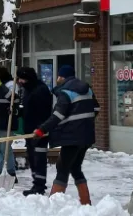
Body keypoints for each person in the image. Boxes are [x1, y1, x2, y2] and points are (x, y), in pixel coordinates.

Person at [33, 65, 99, 205]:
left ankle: (54, 202)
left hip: (72, 137)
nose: (57, 79)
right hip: (86, 136)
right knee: (75, 167)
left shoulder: (66, 92)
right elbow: (96, 108)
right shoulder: (87, 89)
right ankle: (86, 203)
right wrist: (83, 122)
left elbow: (58, 115)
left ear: (62, 77)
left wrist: (42, 130)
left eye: (58, 76)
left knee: (62, 167)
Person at [17, 66, 53, 196]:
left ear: (28, 78)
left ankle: (40, 185)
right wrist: (18, 111)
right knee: (32, 157)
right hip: (30, 131)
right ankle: (36, 183)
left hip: (39, 131)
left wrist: (40, 128)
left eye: (22, 78)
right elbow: (28, 108)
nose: (20, 81)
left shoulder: (40, 90)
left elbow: (44, 112)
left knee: (39, 158)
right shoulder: (28, 90)